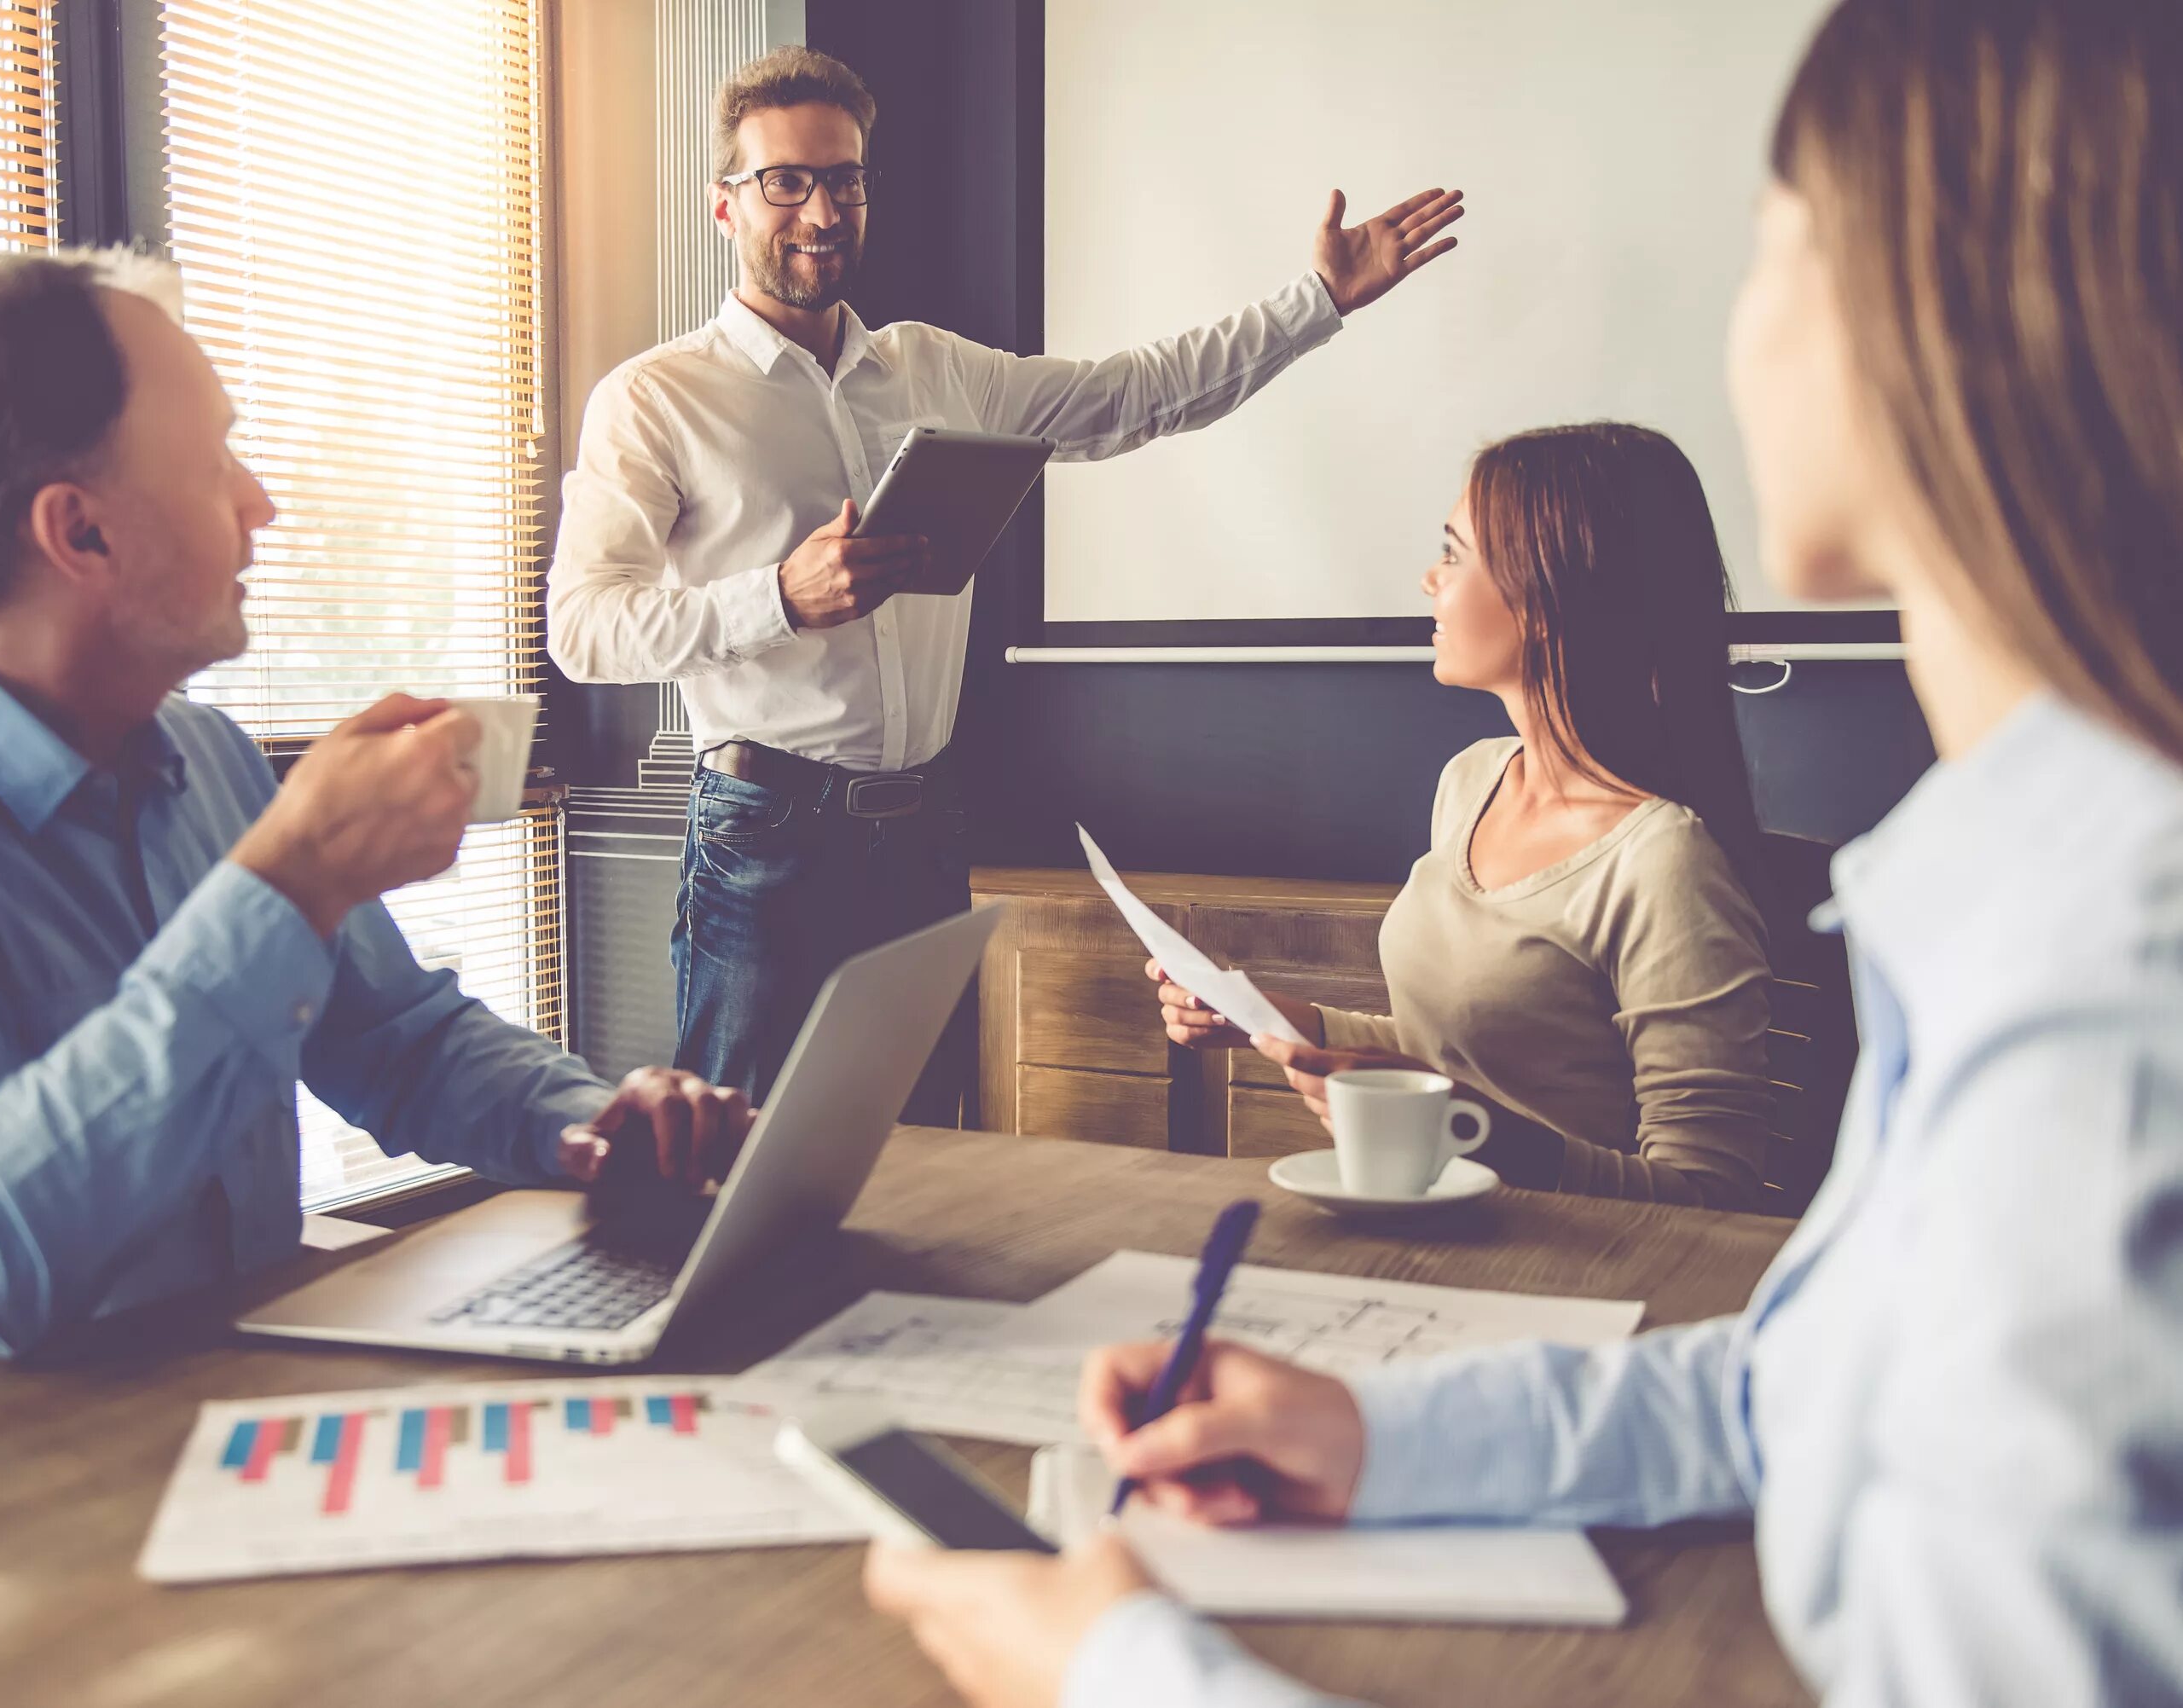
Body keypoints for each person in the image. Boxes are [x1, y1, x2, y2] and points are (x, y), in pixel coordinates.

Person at [863, 0, 2183, 1701]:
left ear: (1938, 321)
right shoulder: (2001, 881)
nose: (1738, 317)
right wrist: (1368, 1430)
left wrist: (1113, 1665)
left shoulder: (2108, 1016)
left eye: (1775, 241)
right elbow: (1786, 1379)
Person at [0, 250, 749, 1416]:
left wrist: (585, 1122)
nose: (258, 500)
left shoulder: (206, 757)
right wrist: (292, 877)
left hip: (220, 1423)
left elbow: (400, 1039)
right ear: (81, 534)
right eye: (215, 454)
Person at [547, 46, 1464, 1123]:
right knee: (743, 1155)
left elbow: (1139, 395)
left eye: (844, 178)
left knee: (934, 1154)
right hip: (764, 835)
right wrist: (780, 597)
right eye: (785, 181)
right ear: (724, 205)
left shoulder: (932, 368)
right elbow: (584, 629)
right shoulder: (654, 399)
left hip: (924, 829)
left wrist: (1317, 300)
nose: (822, 209)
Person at [1149, 423, 1777, 1207]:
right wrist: (1286, 1021)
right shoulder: (1472, 780)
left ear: (1545, 598)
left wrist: (1476, 1135)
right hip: (1438, 1234)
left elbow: (1712, 1196)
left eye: (1453, 553)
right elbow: (1448, 1058)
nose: (1428, 580)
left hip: (1578, 1279)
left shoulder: (1664, 863)